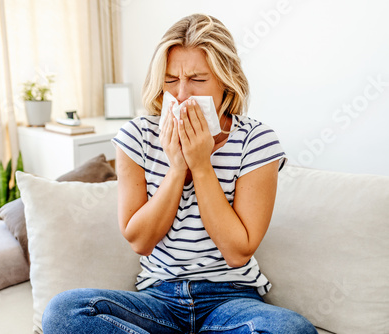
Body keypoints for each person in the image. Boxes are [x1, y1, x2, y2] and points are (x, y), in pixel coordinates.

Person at [42, 14, 317, 334]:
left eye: (197, 79)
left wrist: (201, 165)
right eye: (171, 80)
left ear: (225, 80)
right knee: (64, 311)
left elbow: (237, 251)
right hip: (158, 298)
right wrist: (177, 168)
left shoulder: (256, 141)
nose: (182, 94)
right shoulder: (138, 136)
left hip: (230, 300)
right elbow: (140, 241)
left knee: (293, 330)